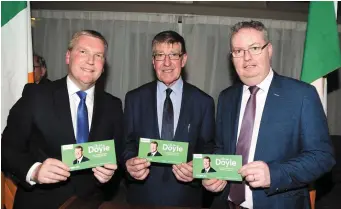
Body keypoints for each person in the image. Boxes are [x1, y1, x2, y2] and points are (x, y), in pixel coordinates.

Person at [203, 20, 335, 209]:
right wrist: (212, 172)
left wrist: (274, 174)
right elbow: (221, 148)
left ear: (269, 49)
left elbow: (323, 157)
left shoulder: (301, 95)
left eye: (254, 48)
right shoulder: (226, 97)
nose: (246, 58)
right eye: (238, 51)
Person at [1, 30, 124, 209]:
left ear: (103, 65)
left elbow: (117, 153)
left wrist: (109, 174)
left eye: (98, 55)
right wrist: (34, 171)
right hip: (39, 203)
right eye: (83, 52)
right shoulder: (36, 96)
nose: (91, 61)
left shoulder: (113, 105)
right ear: (68, 56)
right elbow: (7, 148)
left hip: (90, 204)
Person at [123, 30, 215, 207]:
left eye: (173, 55)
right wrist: (130, 163)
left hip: (186, 198)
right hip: (142, 197)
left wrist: (197, 169)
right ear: (153, 61)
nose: (166, 63)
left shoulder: (203, 102)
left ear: (184, 59)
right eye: (160, 55)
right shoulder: (134, 98)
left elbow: (209, 148)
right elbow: (126, 144)